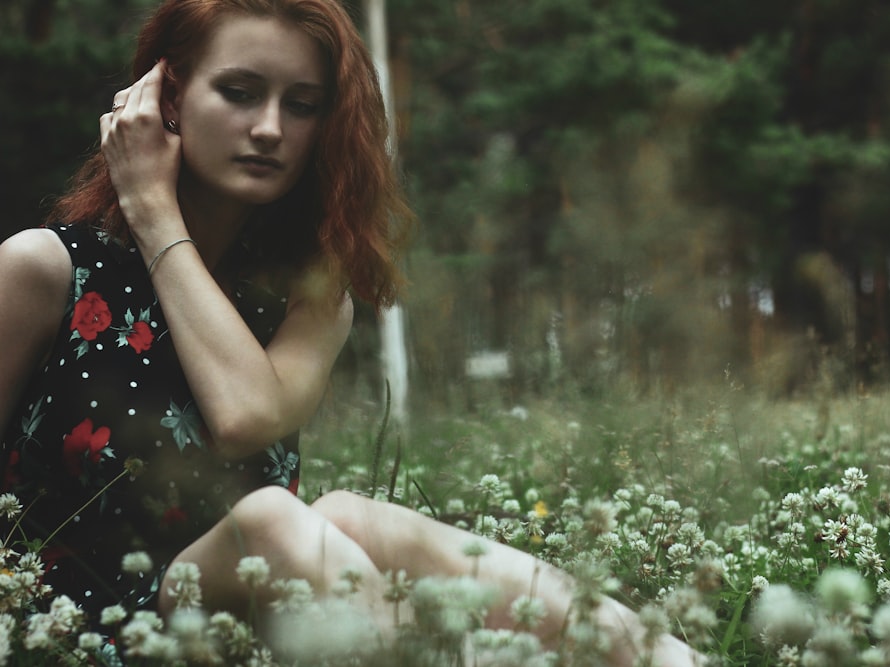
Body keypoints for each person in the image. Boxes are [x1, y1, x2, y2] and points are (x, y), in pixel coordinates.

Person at [0, 1, 701, 664]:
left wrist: (157, 217)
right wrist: (149, 207)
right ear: (168, 101)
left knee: (354, 518)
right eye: (240, 92)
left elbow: (250, 414)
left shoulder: (311, 297)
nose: (271, 127)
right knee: (275, 519)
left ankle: (667, 655)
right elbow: (244, 428)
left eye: (301, 105)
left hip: (256, 625)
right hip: (73, 634)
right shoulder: (43, 270)